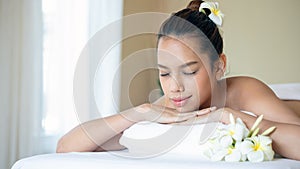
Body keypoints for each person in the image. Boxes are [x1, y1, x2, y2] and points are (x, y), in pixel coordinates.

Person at [56, 0, 300, 160]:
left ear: (219, 66)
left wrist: (226, 114)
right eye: (164, 73)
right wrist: (140, 112)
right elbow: (65, 147)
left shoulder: (244, 90)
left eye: (190, 71)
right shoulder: (170, 106)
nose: (175, 87)